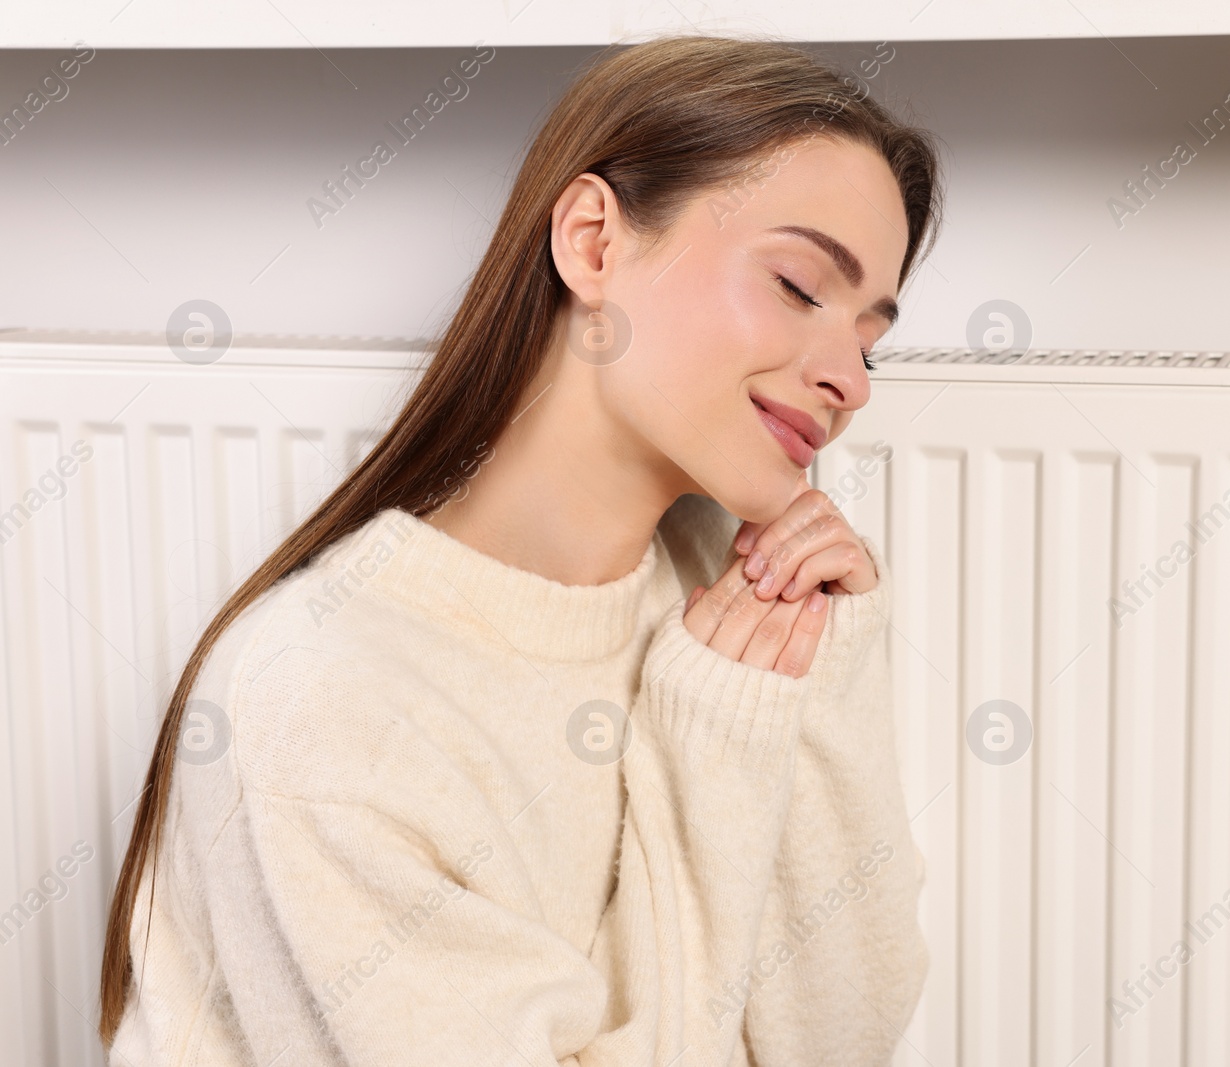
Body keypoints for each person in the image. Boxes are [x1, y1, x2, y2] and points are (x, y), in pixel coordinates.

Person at [97, 32, 945, 1067]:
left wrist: (829, 667)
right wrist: (711, 748)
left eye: (869, 336)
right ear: (593, 243)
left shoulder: (732, 602)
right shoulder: (322, 701)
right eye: (802, 287)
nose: (851, 380)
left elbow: (841, 1037)